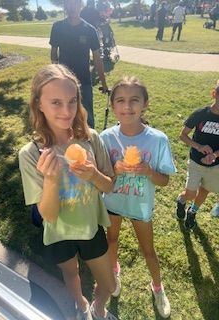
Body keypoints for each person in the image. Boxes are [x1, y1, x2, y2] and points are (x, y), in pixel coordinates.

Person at [19, 64, 118, 320]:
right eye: (55, 102)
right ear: (39, 104)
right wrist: (51, 180)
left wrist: (94, 175)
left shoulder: (91, 138)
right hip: (59, 232)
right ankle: (81, 305)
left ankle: (98, 307)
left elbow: (109, 185)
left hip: (89, 226)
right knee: (71, 273)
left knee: (108, 284)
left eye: (72, 101)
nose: (66, 111)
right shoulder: (31, 154)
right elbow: (48, 216)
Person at [100, 76, 176, 319]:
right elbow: (101, 177)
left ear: (145, 104)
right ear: (113, 106)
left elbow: (164, 181)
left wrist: (149, 171)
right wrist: (116, 169)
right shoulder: (106, 137)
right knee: (111, 241)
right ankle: (113, 272)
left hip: (140, 205)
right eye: (120, 100)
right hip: (113, 201)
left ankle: (158, 288)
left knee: (148, 251)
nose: (127, 106)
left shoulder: (157, 139)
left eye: (134, 100)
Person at [49, 0, 108, 129]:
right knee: (66, 116)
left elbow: (97, 58)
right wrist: (55, 75)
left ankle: (91, 144)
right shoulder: (57, 27)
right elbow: (54, 53)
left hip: (84, 81)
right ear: (65, 6)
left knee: (88, 118)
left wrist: (103, 83)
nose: (72, 7)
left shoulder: (90, 30)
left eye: (75, 4)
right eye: (69, 4)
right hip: (64, 81)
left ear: (80, 6)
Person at [176, 80, 219, 230]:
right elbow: (183, 135)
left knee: (205, 190)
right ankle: (181, 200)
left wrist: (214, 154)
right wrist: (199, 146)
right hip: (195, 162)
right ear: (214, 94)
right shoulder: (200, 114)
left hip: (215, 165)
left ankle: (193, 211)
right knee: (190, 193)